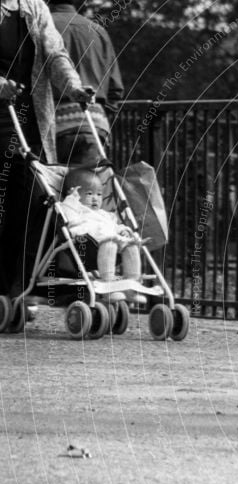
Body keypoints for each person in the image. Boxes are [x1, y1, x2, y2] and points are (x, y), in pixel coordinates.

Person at [0, 0, 91, 297]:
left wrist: (74, 87)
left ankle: (13, 291)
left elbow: (55, 54)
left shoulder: (34, 7)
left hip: (29, 120)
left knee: (32, 203)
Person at [48, 0, 123, 165]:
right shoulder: (98, 30)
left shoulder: (43, 26)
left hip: (55, 122)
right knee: (91, 186)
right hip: (95, 122)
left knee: (54, 185)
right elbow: (115, 89)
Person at [60, 167, 143, 304]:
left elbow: (114, 226)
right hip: (87, 246)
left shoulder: (103, 214)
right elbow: (66, 211)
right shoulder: (76, 210)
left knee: (131, 246)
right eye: (89, 193)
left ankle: (131, 288)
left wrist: (122, 230)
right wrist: (71, 198)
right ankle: (109, 288)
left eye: (99, 194)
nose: (95, 199)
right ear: (74, 193)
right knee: (109, 242)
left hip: (114, 245)